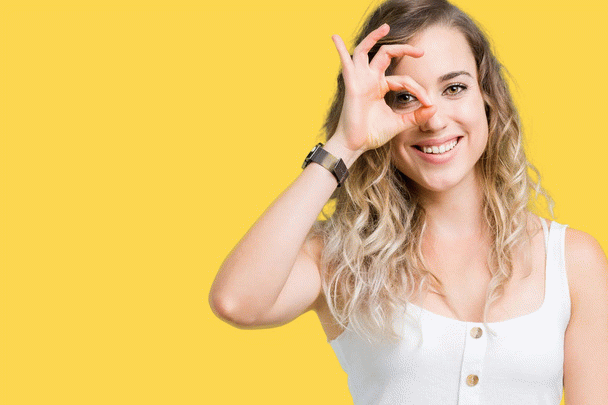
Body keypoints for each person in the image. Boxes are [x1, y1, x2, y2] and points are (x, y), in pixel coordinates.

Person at [208, 0, 608, 403]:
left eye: (454, 88)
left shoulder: (572, 262)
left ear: (487, 98)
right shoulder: (341, 258)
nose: (433, 119)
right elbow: (236, 301)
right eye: (403, 97)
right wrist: (345, 144)